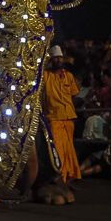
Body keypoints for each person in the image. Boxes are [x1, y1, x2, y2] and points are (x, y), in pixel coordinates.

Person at [41, 45, 81, 183]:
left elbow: (73, 94)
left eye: (60, 57)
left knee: (68, 150)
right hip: (53, 117)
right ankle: (58, 176)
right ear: (51, 60)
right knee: (57, 149)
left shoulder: (68, 76)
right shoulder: (46, 76)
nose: (58, 60)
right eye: (55, 58)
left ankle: (67, 178)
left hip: (68, 117)